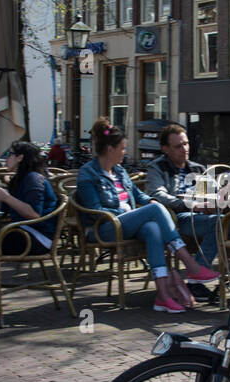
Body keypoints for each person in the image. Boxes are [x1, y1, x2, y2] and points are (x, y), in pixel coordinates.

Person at [76, 117, 217, 312]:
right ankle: (190, 264)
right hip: (104, 227)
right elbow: (97, 211)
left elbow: (139, 195)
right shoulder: (87, 174)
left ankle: (163, 295)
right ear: (110, 150)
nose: (125, 153)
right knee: (156, 209)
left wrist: (148, 203)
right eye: (123, 148)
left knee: (153, 228)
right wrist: (133, 211)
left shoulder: (119, 171)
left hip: (126, 223)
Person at [144, 124, 221, 273]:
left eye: (186, 144)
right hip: (176, 218)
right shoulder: (157, 167)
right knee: (221, 224)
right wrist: (191, 204)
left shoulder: (197, 169)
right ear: (165, 149)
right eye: (178, 146)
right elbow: (157, 195)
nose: (184, 149)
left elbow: (213, 192)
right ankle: (197, 276)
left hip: (203, 216)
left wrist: (221, 197)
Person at [0, 142, 58, 255]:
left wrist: (7, 198)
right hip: (23, 232)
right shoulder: (19, 179)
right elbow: (0, 212)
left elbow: (34, 213)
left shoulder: (34, 178)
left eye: (9, 154)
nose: (6, 158)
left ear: (20, 157)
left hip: (38, 238)